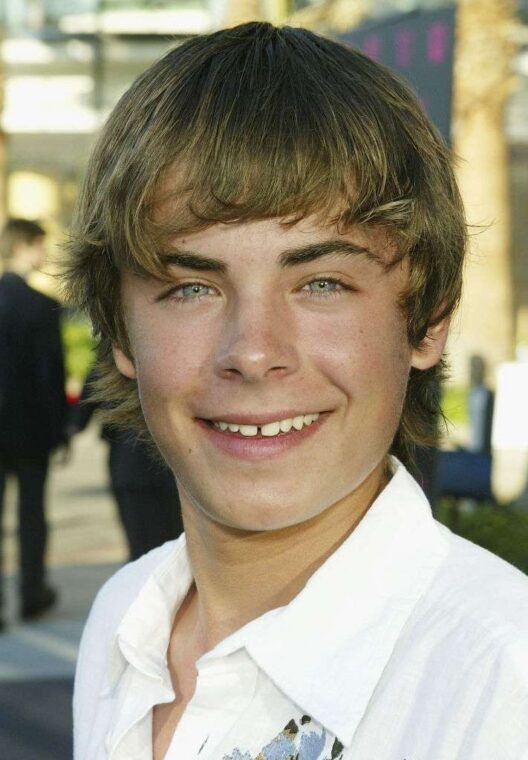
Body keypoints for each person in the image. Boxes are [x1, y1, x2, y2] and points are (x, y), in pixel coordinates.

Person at [63, 23, 528, 760]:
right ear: (119, 330)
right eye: (190, 287)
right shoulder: (126, 619)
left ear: (428, 320)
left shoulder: (503, 683)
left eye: (321, 283)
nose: (252, 351)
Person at [0, 218, 66, 628]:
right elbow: (49, 376)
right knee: (31, 513)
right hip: (29, 430)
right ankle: (31, 592)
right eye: (42, 246)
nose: (45, 255)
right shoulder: (40, 307)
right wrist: (59, 429)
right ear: (27, 246)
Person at [68, 363, 183, 561]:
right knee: (173, 547)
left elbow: (92, 388)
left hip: (129, 462)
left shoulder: (116, 350)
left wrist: (71, 426)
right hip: (167, 466)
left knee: (141, 546)